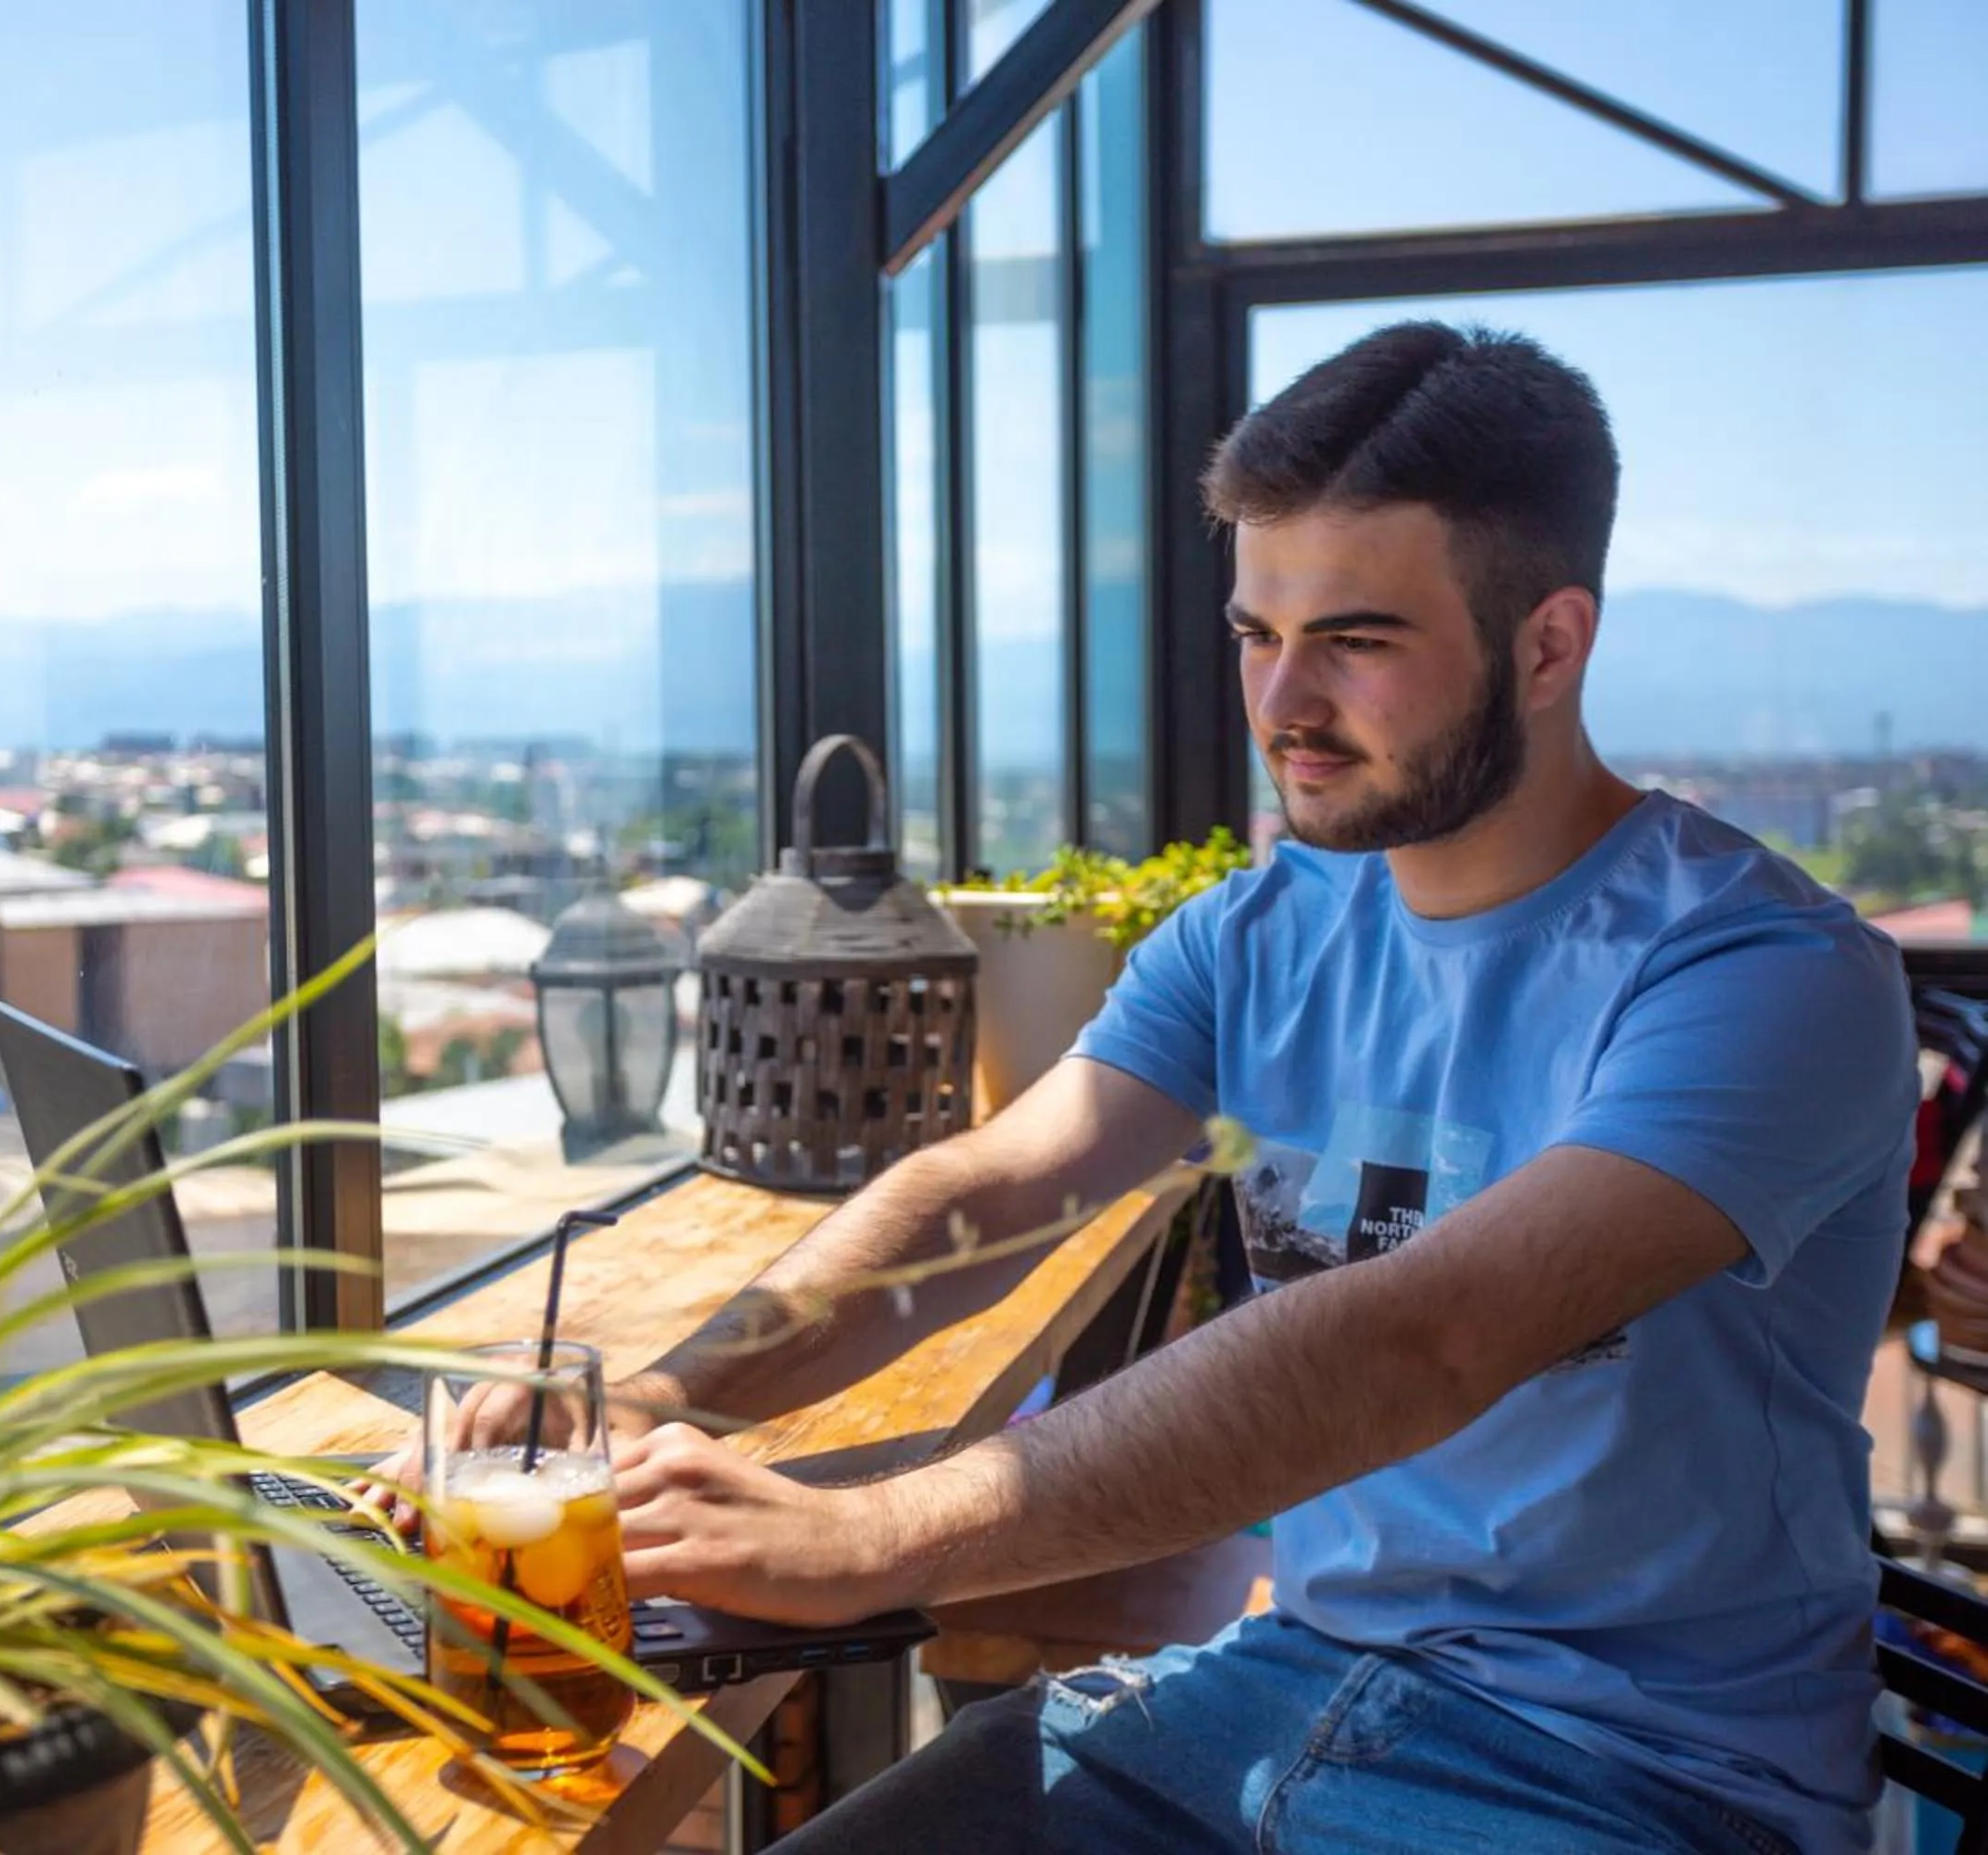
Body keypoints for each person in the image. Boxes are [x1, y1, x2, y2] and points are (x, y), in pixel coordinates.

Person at [598, 323, 1914, 1851]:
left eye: (1355, 640)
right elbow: (1000, 1187)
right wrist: (668, 1387)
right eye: (1253, 634)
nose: (1283, 703)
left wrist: (869, 1538)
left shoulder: (1762, 974)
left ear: (1549, 645)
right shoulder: (1258, 929)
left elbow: (1427, 1336)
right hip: (1284, 1685)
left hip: (1636, 1777)